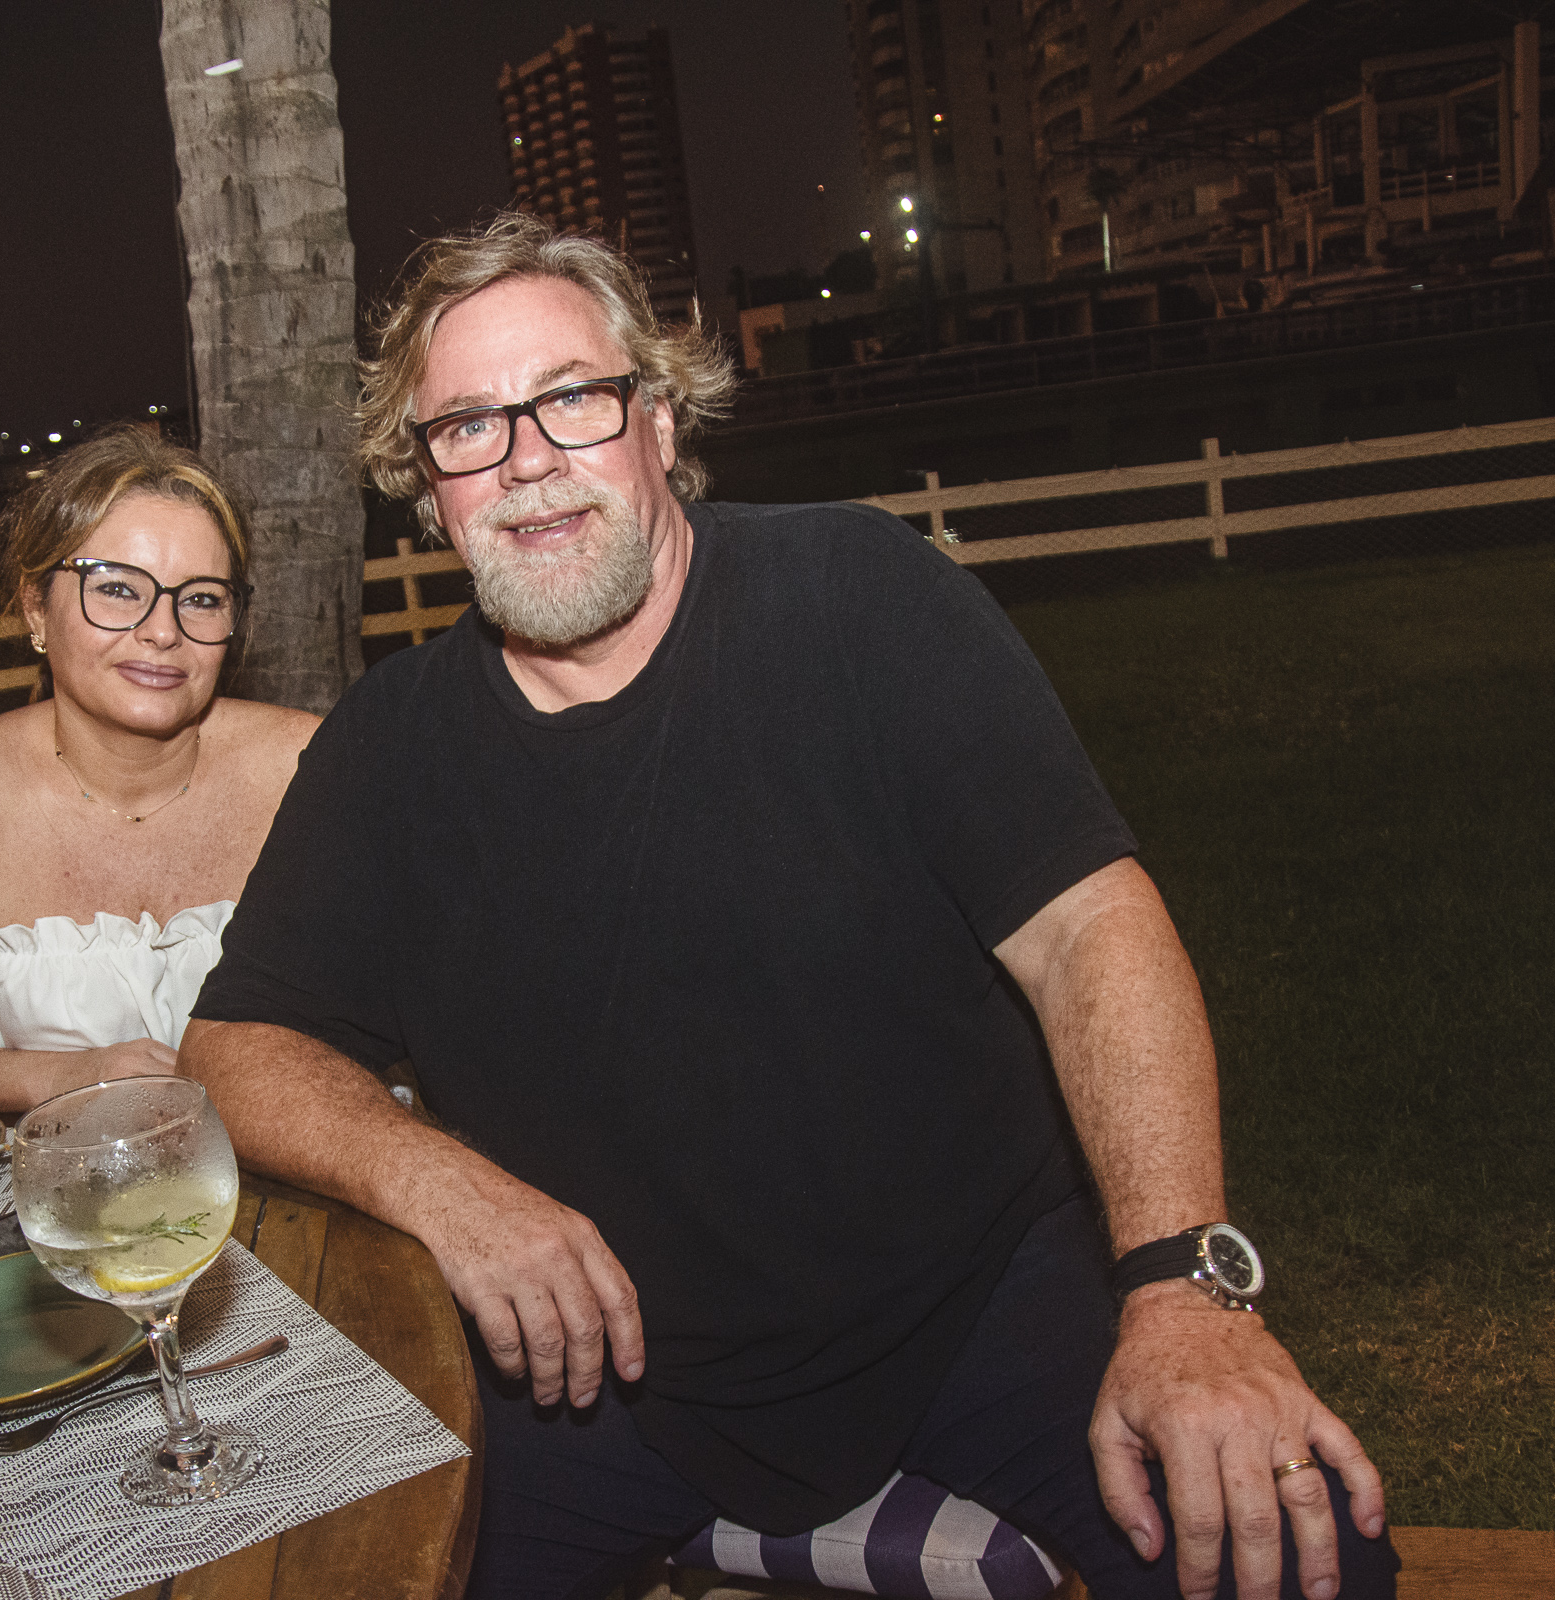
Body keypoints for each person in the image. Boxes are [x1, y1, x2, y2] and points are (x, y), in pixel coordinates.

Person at [181, 215, 1396, 1600]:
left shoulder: (858, 598)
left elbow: (1089, 932)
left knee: (1308, 1567)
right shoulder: (391, 749)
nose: (527, 460)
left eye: (572, 399)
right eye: (469, 427)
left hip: (977, 1298)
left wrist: (1180, 1286)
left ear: (658, 419)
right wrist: (437, 1181)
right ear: (429, 487)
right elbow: (234, 1046)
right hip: (607, 1368)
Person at [0, 427, 316, 1115]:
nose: (163, 631)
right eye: (118, 589)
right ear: (35, 607)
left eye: (201, 598)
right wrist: (63, 1076)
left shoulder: (310, 772)